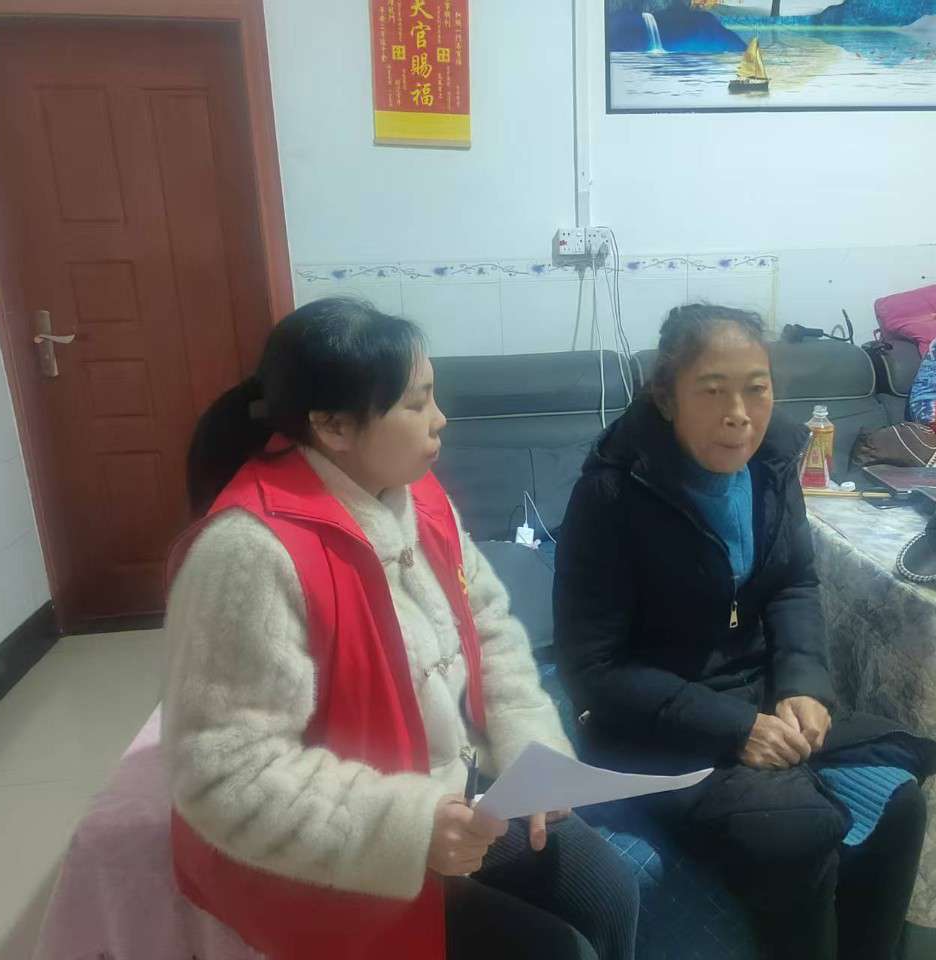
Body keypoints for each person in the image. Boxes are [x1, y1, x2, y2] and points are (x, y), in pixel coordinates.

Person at [164, 297, 638, 960]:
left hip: (455, 795)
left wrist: (529, 749)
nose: (440, 418)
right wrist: (411, 831)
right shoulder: (249, 553)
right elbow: (225, 774)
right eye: (417, 403)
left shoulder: (420, 496)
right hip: (335, 850)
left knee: (609, 892)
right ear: (333, 426)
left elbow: (491, 627)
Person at [554, 304, 936, 960]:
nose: (738, 414)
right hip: (657, 729)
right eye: (713, 392)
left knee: (899, 801)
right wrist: (736, 729)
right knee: (791, 830)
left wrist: (803, 685)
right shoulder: (613, 495)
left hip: (760, 699)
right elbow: (594, 669)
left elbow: (793, 583)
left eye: (756, 389)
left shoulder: (770, 465)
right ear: (667, 397)